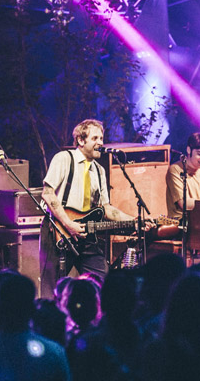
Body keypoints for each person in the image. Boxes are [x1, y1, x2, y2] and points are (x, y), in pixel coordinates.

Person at [39, 119, 147, 298]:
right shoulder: (64, 159)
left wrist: (133, 221)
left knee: (101, 279)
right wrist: (68, 224)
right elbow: (48, 195)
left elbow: (106, 209)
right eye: (95, 138)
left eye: (102, 138)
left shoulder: (99, 170)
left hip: (86, 235)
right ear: (81, 140)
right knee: (52, 288)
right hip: (58, 231)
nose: (101, 143)